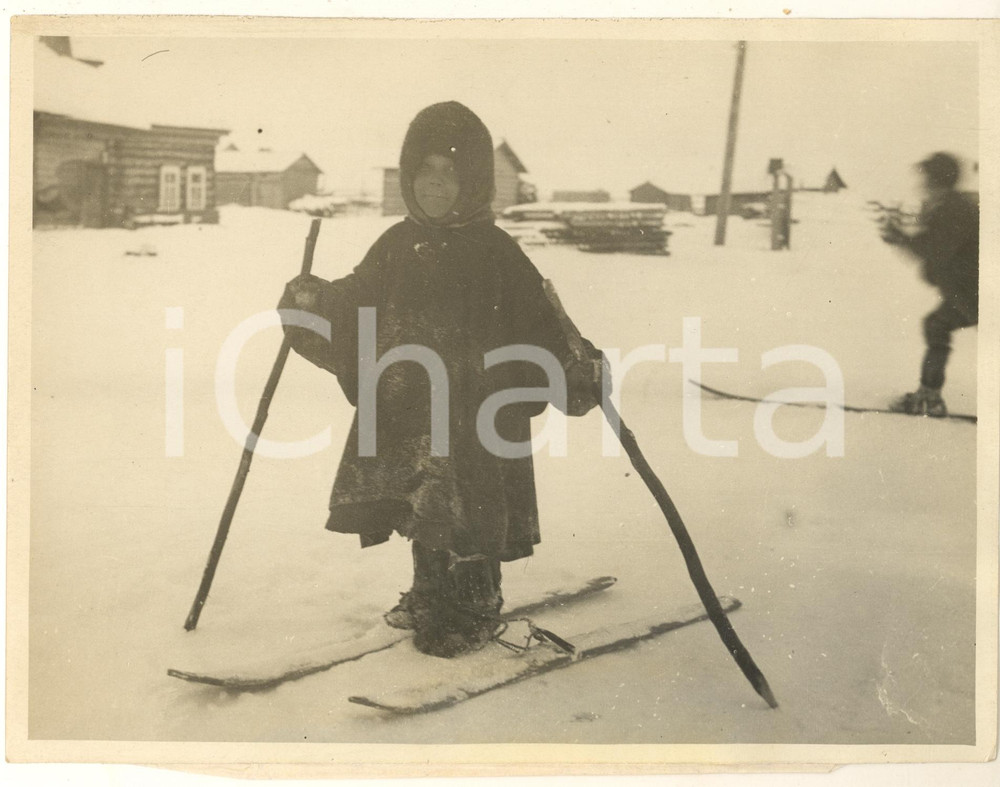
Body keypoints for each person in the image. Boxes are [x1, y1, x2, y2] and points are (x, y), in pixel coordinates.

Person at [277, 102, 605, 658]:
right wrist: (315, 302)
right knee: (420, 497)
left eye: (449, 172)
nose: (434, 184)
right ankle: (429, 592)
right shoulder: (397, 245)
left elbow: (541, 321)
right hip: (410, 404)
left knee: (472, 506)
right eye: (425, 171)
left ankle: (475, 605)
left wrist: (576, 363)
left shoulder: (498, 251)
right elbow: (357, 299)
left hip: (481, 412)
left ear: (472, 180)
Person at [879, 152, 978, 416]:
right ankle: (929, 396)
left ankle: (929, 397)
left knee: (937, 325)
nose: (921, 183)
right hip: (973, 292)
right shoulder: (951, 205)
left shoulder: (953, 208)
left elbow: (936, 251)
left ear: (937, 180)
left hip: (978, 294)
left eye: (926, 178)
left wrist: (901, 238)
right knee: (937, 325)